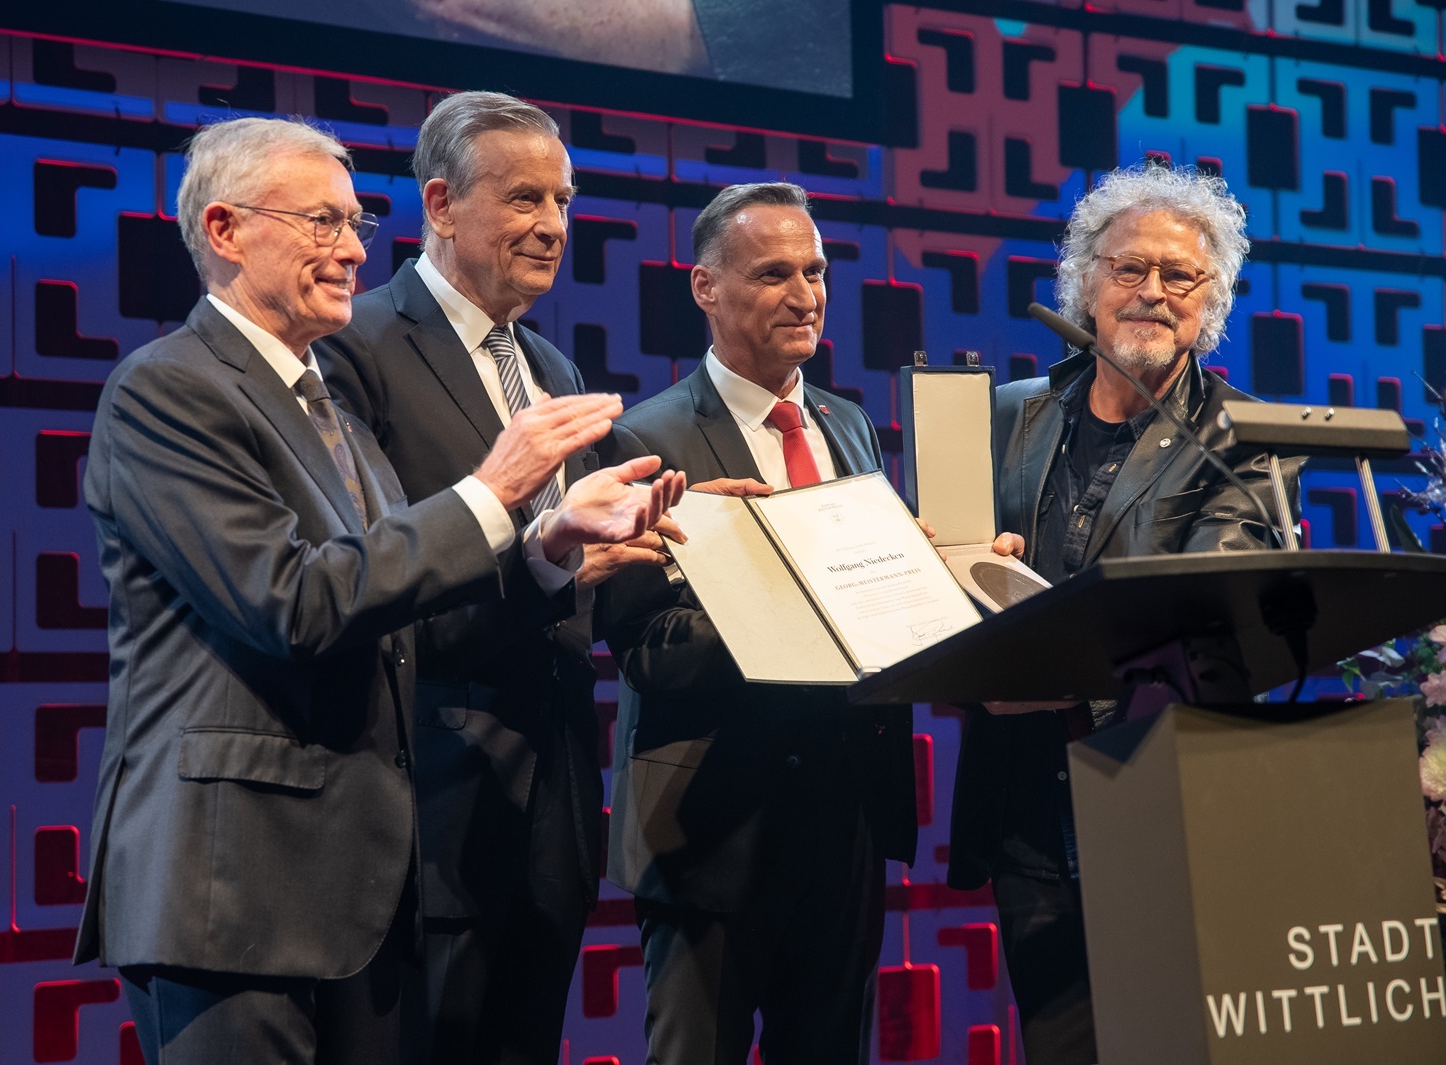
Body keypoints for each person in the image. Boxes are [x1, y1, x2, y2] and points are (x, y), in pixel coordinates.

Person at [73, 114, 682, 1065]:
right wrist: (493, 489)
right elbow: (291, 602)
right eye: (322, 222)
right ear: (225, 231)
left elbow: (389, 605)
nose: (355, 248)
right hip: (235, 889)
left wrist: (547, 547)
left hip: (353, 885)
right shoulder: (168, 390)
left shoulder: (325, 409)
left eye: (355, 223)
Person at [597, 181, 1020, 1064]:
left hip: (844, 820)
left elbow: (873, 618)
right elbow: (643, 653)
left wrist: (951, 579)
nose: (805, 293)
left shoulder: (850, 425)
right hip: (708, 827)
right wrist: (783, 593)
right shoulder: (643, 439)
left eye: (816, 270)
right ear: (705, 288)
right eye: (774, 272)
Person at [319, 91, 677, 1064]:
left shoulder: (551, 369)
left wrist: (625, 553)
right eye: (523, 200)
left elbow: (551, 583)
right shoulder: (355, 351)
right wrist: (542, 558)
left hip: (548, 812)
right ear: (438, 204)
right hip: (425, 809)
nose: (552, 226)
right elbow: (362, 588)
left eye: (562, 200)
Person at [946, 163, 1302, 1065]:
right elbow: (945, 577)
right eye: (1126, 267)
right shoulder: (1000, 416)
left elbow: (1195, 614)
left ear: (1209, 300)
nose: (1150, 292)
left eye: (1178, 275)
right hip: (1026, 803)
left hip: (1164, 799)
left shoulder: (1246, 435)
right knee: (1058, 1045)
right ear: (1084, 281)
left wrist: (1036, 671)